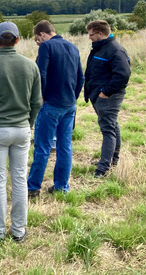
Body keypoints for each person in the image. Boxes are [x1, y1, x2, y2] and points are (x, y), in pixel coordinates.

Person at [0, 22, 41, 243]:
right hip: (21, 128)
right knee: (20, 179)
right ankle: (19, 230)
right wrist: (28, 124)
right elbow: (37, 102)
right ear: (17, 40)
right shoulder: (31, 66)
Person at [27, 21, 84, 197]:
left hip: (50, 103)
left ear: (43, 34)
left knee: (42, 147)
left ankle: (33, 187)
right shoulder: (73, 47)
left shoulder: (46, 47)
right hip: (69, 104)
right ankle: (61, 186)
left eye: (37, 39)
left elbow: (41, 74)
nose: (38, 43)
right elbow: (80, 76)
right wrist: (73, 97)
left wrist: (40, 97)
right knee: (65, 146)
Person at [84, 20, 131, 178]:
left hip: (108, 96)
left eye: (91, 35)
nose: (89, 37)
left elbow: (123, 75)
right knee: (113, 126)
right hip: (99, 95)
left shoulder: (115, 50)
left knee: (108, 130)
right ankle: (113, 161)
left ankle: (102, 169)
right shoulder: (101, 48)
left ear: (100, 33)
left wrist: (105, 92)